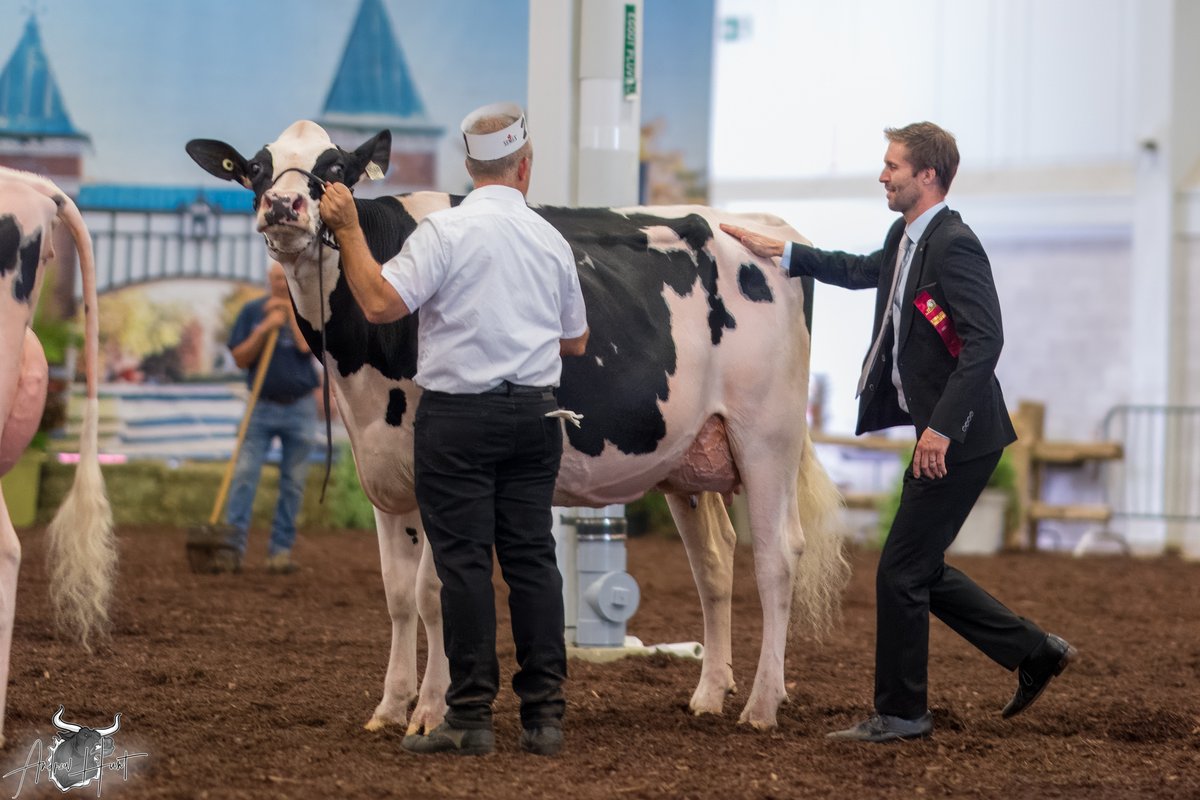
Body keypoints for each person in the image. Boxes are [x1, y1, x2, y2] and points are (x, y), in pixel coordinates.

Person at [720, 122, 1075, 743]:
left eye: (893, 166)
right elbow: (864, 271)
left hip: (960, 437)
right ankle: (1033, 650)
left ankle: (903, 713)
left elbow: (985, 340)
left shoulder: (955, 245)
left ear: (927, 176)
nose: (883, 175)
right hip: (948, 434)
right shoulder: (905, 238)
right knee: (918, 567)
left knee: (901, 572)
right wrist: (786, 253)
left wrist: (940, 429)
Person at [319, 102, 589, 757]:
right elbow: (576, 341)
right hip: (533, 416)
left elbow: (382, 303)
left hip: (458, 418)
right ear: (525, 167)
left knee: (464, 566)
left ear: (469, 167)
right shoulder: (550, 239)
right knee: (532, 562)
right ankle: (544, 717)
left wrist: (351, 231)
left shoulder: (445, 233)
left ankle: (469, 717)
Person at [222, 261, 319, 575]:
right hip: (260, 407)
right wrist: (265, 327)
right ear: (268, 279)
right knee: (244, 477)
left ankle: (280, 552)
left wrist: (289, 314)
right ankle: (231, 550)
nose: (280, 283)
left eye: (285, 278)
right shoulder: (252, 311)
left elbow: (308, 349)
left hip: (300, 408)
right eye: (276, 278)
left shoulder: (307, 310)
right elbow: (239, 358)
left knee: (293, 484)